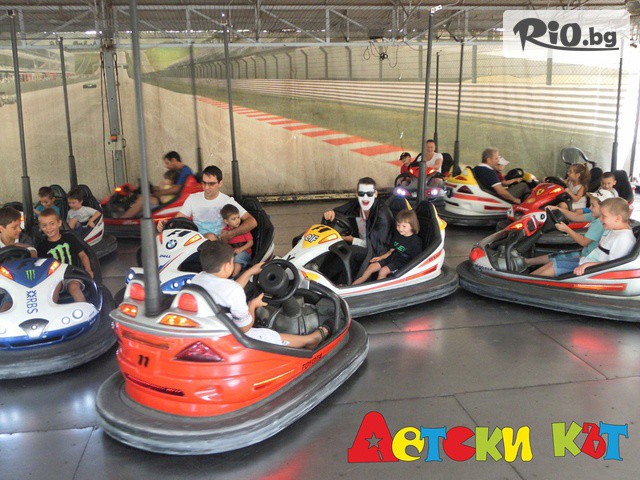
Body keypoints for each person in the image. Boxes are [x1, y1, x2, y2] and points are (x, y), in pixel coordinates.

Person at [190, 241, 332, 348]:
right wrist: (252, 305)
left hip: (203, 331)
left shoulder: (198, 279)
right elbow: (244, 328)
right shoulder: (233, 290)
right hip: (225, 338)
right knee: (268, 335)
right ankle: (311, 340)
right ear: (227, 266)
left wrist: (250, 272)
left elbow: (226, 291)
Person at [533, 197, 634, 277]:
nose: (601, 219)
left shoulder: (623, 239)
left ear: (617, 218)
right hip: (586, 261)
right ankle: (527, 279)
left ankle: (528, 285)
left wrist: (588, 265)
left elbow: (614, 266)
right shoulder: (613, 229)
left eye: (604, 216)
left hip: (591, 270)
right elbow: (575, 217)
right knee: (552, 263)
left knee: (552, 268)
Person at [157, 165, 257, 243]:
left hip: (217, 245)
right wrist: (166, 224)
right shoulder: (193, 198)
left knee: (210, 237)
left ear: (220, 183)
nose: (206, 187)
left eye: (211, 184)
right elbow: (178, 219)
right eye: (204, 183)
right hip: (195, 242)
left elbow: (252, 221)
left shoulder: (227, 201)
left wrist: (231, 234)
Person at [527, 189, 613, 275]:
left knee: (553, 265)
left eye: (593, 205)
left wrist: (566, 229)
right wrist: (558, 209)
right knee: (554, 259)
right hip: (585, 254)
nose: (590, 208)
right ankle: (526, 263)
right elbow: (575, 216)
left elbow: (584, 242)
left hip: (588, 260)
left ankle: (527, 279)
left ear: (603, 208)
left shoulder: (599, 223)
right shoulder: (595, 216)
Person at [323, 177, 394, 275]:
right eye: (361, 193)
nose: (365, 198)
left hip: (375, 251)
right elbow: (339, 212)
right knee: (333, 245)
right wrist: (330, 213)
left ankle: (331, 278)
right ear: (356, 193)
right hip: (361, 239)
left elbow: (375, 247)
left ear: (375, 194)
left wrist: (350, 239)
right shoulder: (356, 203)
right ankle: (320, 269)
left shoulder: (382, 215)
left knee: (349, 251)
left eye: (369, 194)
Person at [36, 208, 93, 303]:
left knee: (74, 288)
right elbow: (42, 266)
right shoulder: (42, 246)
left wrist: (88, 269)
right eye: (44, 225)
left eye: (52, 224)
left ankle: (83, 308)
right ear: (40, 227)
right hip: (54, 277)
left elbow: (83, 255)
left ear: (59, 223)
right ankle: (51, 309)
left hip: (72, 274)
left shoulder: (69, 238)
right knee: (53, 289)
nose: (48, 228)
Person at [352, 209, 422, 285]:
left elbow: (416, 261)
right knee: (371, 267)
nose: (400, 228)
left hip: (403, 263)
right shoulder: (398, 235)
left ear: (412, 226)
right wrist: (381, 257)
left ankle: (377, 290)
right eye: (398, 225)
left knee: (383, 271)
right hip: (393, 257)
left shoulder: (415, 242)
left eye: (404, 226)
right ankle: (353, 286)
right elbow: (391, 250)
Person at [121, 151, 194, 218]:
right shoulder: (178, 171)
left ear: (174, 160)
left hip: (173, 201)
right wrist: (154, 189)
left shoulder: (185, 171)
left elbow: (177, 189)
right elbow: (170, 187)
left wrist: (159, 193)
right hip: (168, 198)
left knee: (143, 200)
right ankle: (133, 219)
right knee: (140, 198)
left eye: (167, 163)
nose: (167, 166)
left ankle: (123, 220)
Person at [0, 207, 36, 312]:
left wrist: (24, 247)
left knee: (9, 302)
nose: (19, 230)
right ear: (1, 228)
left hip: (21, 279)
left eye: (19, 226)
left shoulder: (23, 238)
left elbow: (33, 253)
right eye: (14, 227)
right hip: (3, 282)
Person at [220, 203, 253, 276]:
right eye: (233, 219)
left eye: (238, 217)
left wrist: (241, 249)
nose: (237, 220)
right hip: (233, 253)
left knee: (237, 259)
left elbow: (250, 243)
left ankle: (234, 277)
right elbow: (225, 244)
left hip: (245, 253)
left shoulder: (243, 230)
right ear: (226, 221)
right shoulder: (225, 231)